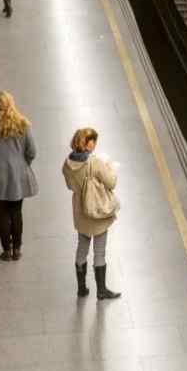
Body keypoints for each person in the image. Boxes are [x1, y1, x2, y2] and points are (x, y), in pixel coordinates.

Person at [0, 92, 38, 261]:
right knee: (16, 211)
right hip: (18, 175)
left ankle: (6, 250)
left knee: (2, 213)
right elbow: (32, 151)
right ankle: (17, 249)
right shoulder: (23, 124)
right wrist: (22, 165)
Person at [62, 128, 121, 299]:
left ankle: (81, 288)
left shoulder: (66, 164)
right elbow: (111, 182)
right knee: (99, 251)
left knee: (82, 248)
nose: (95, 144)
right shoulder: (94, 163)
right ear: (87, 143)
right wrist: (110, 167)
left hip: (80, 211)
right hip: (97, 212)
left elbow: (69, 186)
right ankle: (101, 290)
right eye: (93, 141)